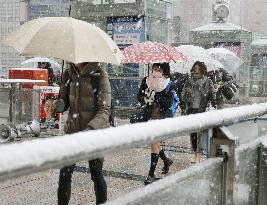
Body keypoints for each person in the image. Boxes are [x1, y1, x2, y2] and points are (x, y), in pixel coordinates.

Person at [54, 62, 111, 205]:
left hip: (94, 134)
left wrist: (91, 129)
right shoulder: (68, 73)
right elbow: (65, 102)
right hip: (72, 132)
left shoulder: (99, 75)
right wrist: (59, 104)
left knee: (96, 174)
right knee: (64, 175)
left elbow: (104, 110)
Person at [137, 63, 176, 185]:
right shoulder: (146, 80)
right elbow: (139, 95)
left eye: (159, 68)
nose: (156, 70)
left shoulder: (168, 83)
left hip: (161, 117)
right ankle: (166, 160)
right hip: (149, 116)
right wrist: (146, 99)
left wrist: (156, 96)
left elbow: (168, 104)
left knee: (154, 142)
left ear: (164, 70)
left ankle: (151, 174)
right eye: (155, 68)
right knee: (155, 143)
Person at [181, 61, 215, 163]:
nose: (195, 70)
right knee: (193, 133)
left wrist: (201, 89)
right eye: (194, 68)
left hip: (202, 110)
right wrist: (187, 93)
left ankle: (199, 154)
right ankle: (195, 153)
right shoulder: (189, 81)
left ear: (202, 70)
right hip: (192, 109)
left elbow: (212, 96)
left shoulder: (208, 81)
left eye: (197, 68)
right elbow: (183, 97)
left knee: (200, 133)